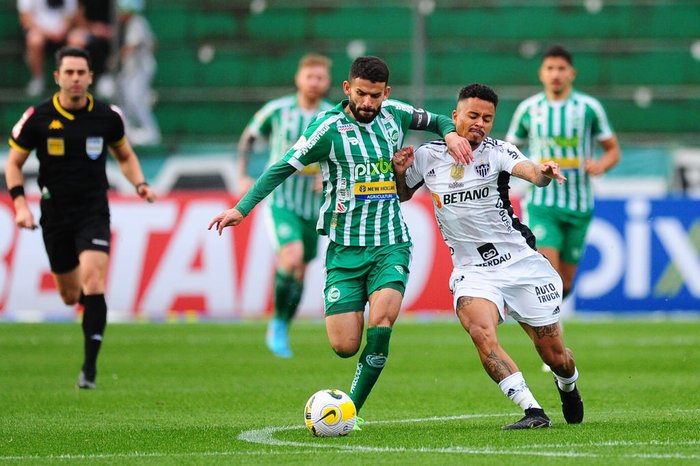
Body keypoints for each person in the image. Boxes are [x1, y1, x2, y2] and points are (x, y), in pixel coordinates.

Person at [209, 56, 473, 429]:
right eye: (361, 94)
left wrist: (449, 134)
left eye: (376, 96)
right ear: (347, 89)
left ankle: (351, 410)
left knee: (381, 324)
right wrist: (242, 208)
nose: (368, 103)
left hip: (390, 243)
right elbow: (282, 166)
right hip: (345, 250)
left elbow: (441, 120)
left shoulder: (395, 114)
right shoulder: (327, 129)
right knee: (345, 346)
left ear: (387, 93)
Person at [392, 83, 584, 429]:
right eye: (473, 116)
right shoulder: (428, 155)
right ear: (455, 117)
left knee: (556, 356)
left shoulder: (498, 152)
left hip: (521, 264)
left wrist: (544, 172)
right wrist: (398, 171)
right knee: (481, 331)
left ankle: (568, 385)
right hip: (473, 271)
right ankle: (532, 411)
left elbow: (530, 171)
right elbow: (403, 193)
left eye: (487, 118)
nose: (480, 123)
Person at [5, 46, 156, 389]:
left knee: (94, 281)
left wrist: (141, 184)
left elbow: (125, 155)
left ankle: (89, 368)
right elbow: (13, 164)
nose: (75, 79)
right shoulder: (39, 117)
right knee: (71, 296)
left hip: (93, 211)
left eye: (81, 73)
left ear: (90, 77)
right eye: (68, 73)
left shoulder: (107, 117)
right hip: (54, 213)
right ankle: (87, 348)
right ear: (57, 76)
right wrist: (20, 205)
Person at [506, 45, 621, 302]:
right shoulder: (529, 109)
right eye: (550, 68)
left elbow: (613, 150)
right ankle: (548, 338)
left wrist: (602, 165)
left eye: (561, 68)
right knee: (549, 276)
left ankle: (547, 327)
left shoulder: (588, 108)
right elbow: (509, 150)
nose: (555, 74)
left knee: (565, 284)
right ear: (541, 74)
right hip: (542, 204)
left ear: (572, 73)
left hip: (579, 205)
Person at [237, 54, 333, 358]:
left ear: (327, 82)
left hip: (314, 206)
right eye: (310, 76)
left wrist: (330, 177)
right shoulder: (278, 111)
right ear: (299, 79)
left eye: (320, 77)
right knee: (291, 259)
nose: (315, 82)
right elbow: (249, 137)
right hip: (282, 200)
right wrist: (242, 174)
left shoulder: (332, 115)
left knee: (302, 270)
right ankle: (277, 323)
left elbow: (341, 155)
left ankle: (284, 324)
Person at [115, 0, 160, 146]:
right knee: (126, 99)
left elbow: (132, 46)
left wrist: (116, 58)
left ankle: (152, 132)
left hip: (140, 70)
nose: (119, 13)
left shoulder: (137, 22)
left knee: (136, 99)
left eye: (122, 10)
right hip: (132, 70)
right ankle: (130, 132)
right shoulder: (131, 24)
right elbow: (153, 43)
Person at [18, 0, 79, 97]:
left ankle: (73, 80)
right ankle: (37, 80)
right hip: (39, 31)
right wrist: (48, 33)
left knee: (77, 41)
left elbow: (72, 15)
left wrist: (62, 31)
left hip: (63, 32)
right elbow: (26, 19)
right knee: (35, 40)